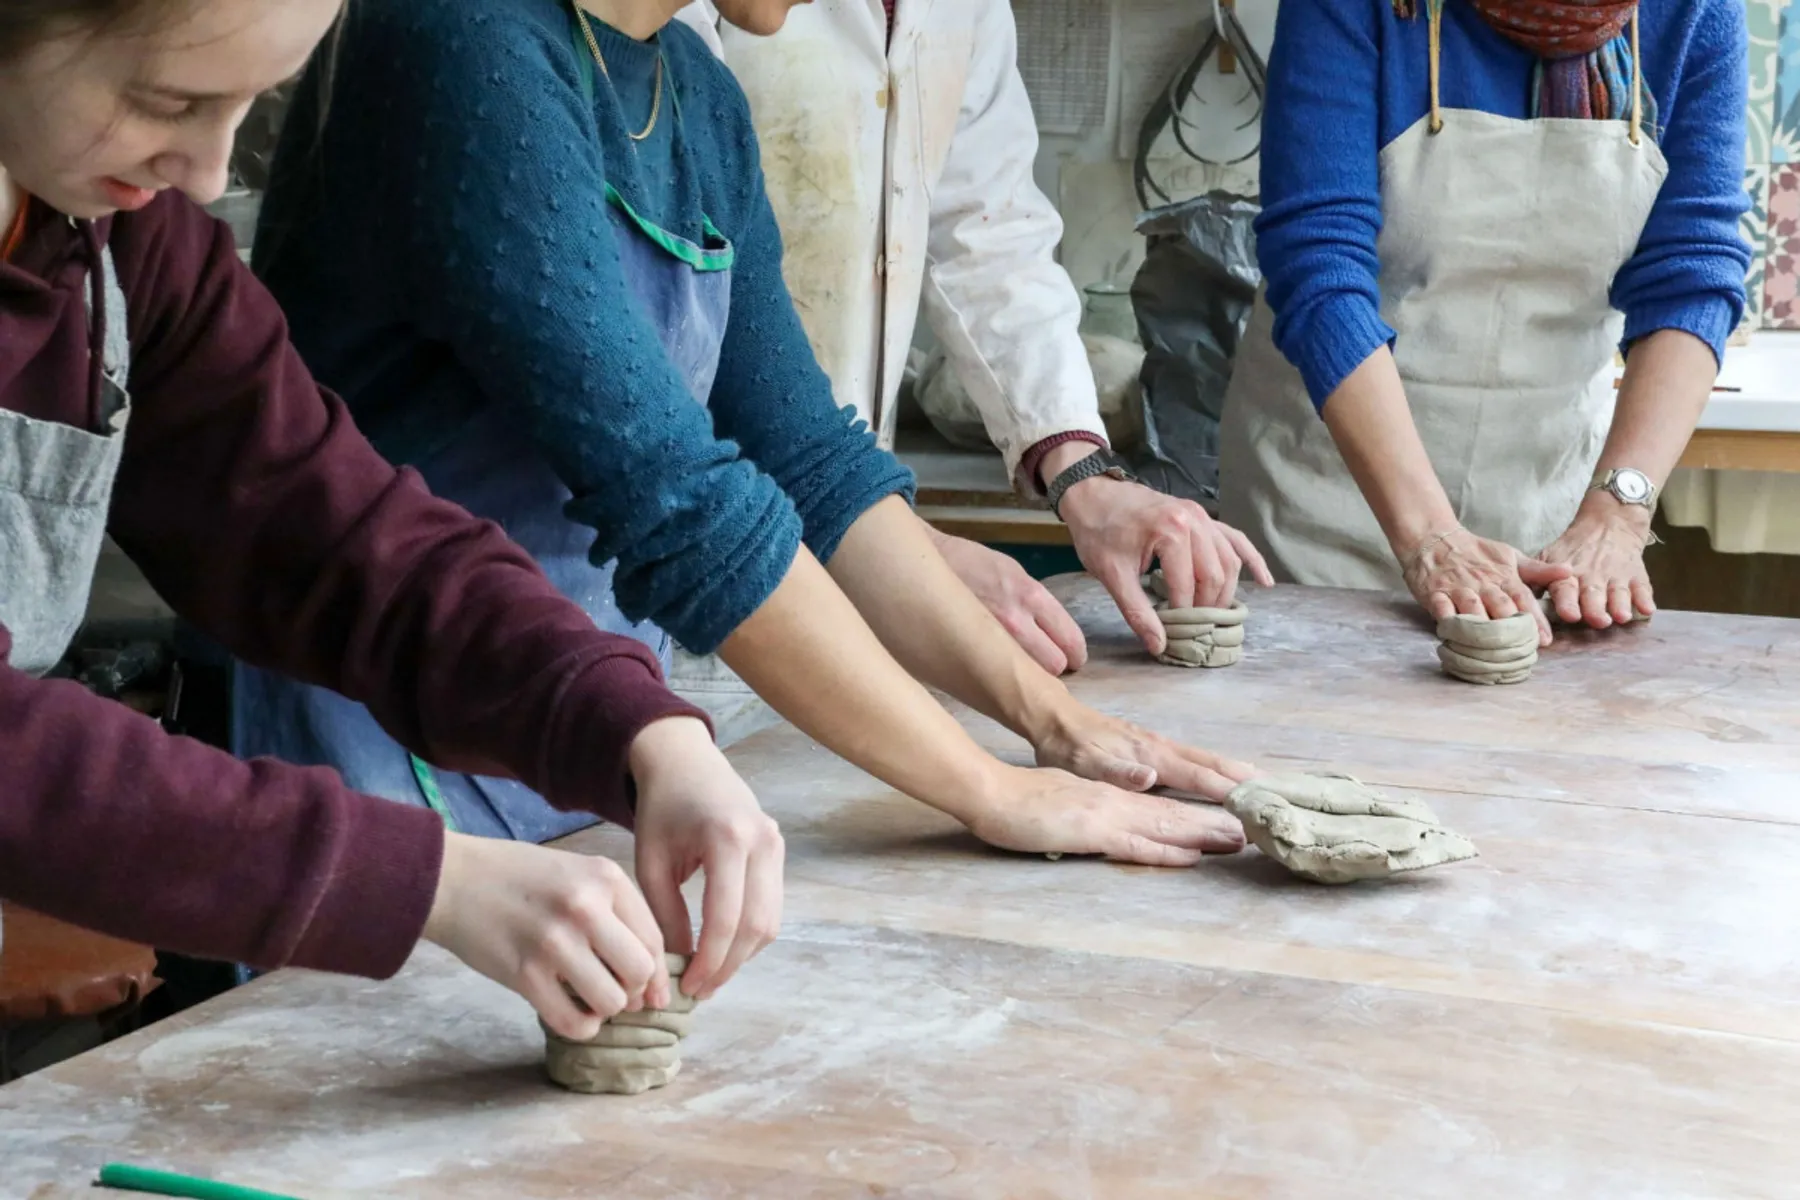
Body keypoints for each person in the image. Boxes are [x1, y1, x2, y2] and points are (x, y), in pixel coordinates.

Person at [244, 0, 1256, 868]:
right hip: (381, 739)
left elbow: (811, 461)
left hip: (579, 727)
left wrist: (1057, 728)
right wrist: (989, 791)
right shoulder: (463, 43)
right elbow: (680, 504)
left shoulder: (695, 94)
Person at [0, 0, 787, 1044]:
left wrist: (632, 726)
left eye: (249, 106)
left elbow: (335, 535)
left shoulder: (119, 245)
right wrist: (425, 879)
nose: (204, 168)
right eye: (169, 101)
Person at [675, 0, 1273, 675]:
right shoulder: (690, 19)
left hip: (838, 508)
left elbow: (988, 233)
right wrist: (899, 554)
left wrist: (1083, 473)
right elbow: (678, 308)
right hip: (681, 521)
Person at [1219, 0, 1749, 641]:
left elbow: (1692, 273)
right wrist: (1429, 536)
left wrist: (1617, 512)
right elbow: (1320, 266)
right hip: (1324, 499)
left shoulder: (1696, 13)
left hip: (1544, 505)